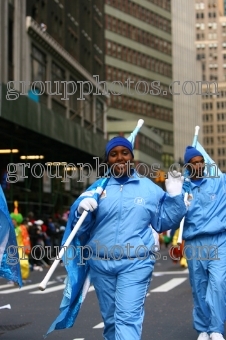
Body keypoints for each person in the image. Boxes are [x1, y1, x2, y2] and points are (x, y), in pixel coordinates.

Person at [70, 136, 186, 340]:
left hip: (136, 263)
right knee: (111, 322)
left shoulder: (149, 188)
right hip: (101, 265)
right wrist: (80, 210)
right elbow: (79, 229)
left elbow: (163, 222)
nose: (120, 158)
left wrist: (176, 198)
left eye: (125, 153)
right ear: (107, 160)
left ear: (132, 157)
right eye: (113, 154)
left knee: (127, 319)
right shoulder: (97, 189)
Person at [182, 146, 226, 340]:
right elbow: (172, 213)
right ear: (188, 166)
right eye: (195, 162)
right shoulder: (183, 188)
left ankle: (216, 329)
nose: (199, 165)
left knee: (218, 282)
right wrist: (177, 197)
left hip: (219, 239)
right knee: (199, 286)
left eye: (201, 161)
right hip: (194, 243)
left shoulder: (219, 182)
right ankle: (203, 329)